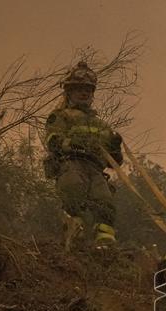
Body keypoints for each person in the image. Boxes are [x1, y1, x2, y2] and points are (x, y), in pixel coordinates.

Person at [44, 61, 123, 248]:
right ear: (69, 92)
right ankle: (73, 236)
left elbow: (115, 163)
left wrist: (115, 147)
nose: (84, 93)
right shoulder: (61, 116)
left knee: (105, 202)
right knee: (73, 190)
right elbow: (53, 142)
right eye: (79, 89)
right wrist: (72, 144)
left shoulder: (102, 125)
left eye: (88, 89)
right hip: (71, 163)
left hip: (95, 169)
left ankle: (104, 244)